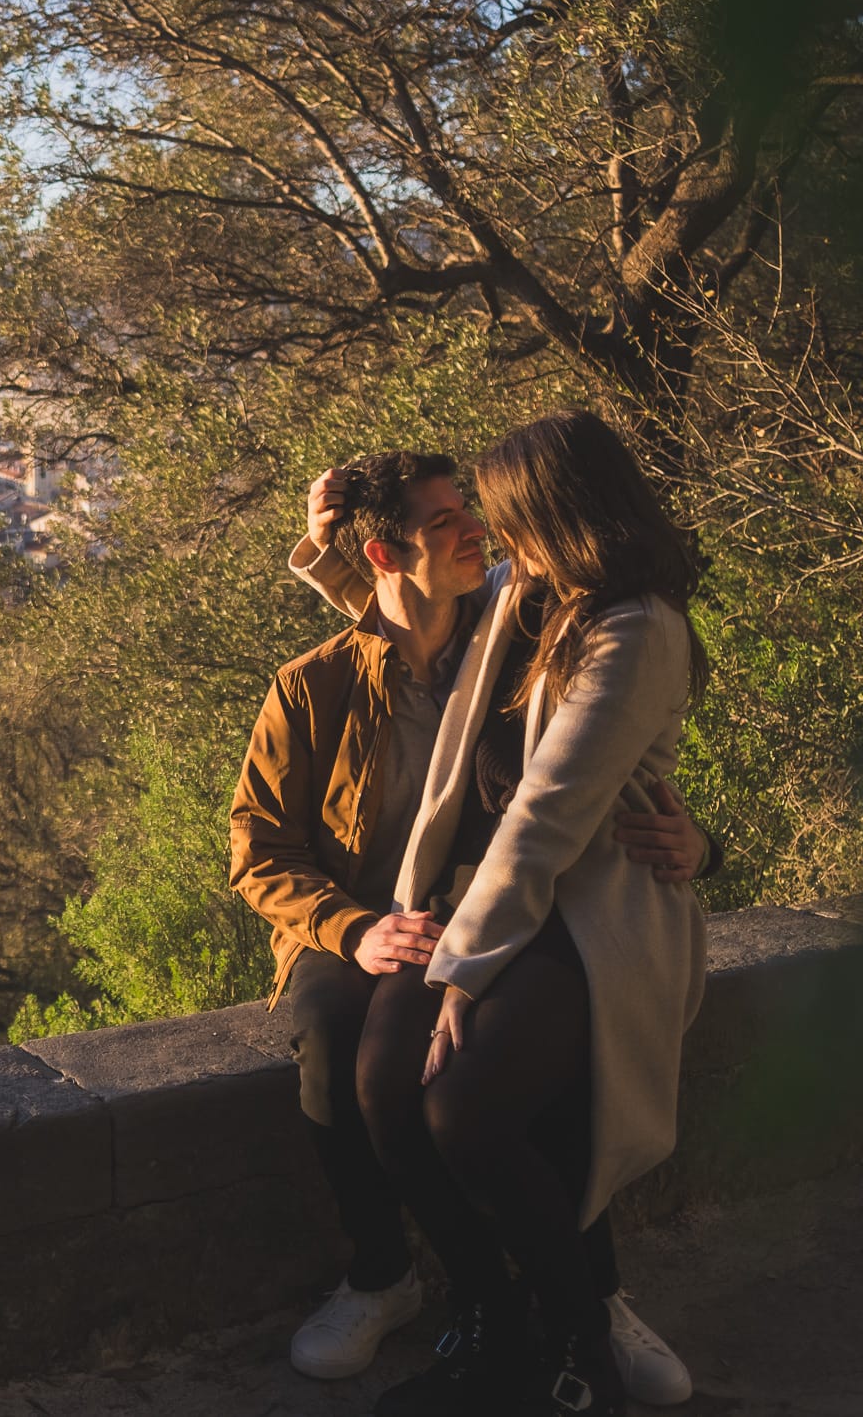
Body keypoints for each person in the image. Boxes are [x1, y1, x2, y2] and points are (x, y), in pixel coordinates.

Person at [232, 448, 702, 1405]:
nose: (480, 532)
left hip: (476, 909)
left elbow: (593, 766)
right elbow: (258, 848)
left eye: (473, 513)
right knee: (336, 1040)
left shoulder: (503, 639)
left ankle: (589, 1298)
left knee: (529, 1066)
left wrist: (703, 840)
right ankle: (385, 1276)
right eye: (447, 519)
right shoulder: (310, 687)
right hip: (360, 913)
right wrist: (351, 926)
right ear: (386, 551)